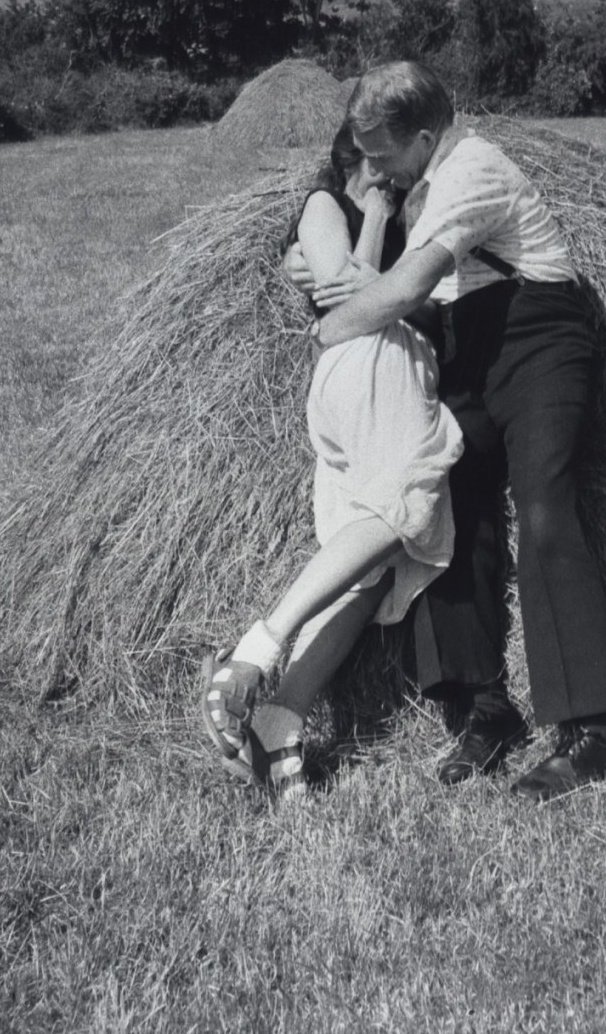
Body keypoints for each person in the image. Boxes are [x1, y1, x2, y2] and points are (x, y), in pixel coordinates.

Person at [294, 60, 606, 802]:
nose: (374, 172)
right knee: (438, 499)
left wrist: (328, 330)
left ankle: (595, 727)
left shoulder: (470, 167)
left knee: (543, 499)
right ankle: (481, 706)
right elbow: (427, 301)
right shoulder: (419, 188)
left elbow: (410, 286)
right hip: (472, 345)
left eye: (382, 155)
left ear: (423, 137)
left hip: (541, 338)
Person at [200, 122, 463, 798]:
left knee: (367, 565)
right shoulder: (326, 206)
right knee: (410, 500)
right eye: (377, 166)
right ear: (354, 160)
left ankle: (278, 722)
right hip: (369, 364)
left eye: (394, 169)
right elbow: (353, 294)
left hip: (383, 370)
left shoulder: (417, 213)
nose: (391, 177)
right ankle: (257, 648)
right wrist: (372, 215)